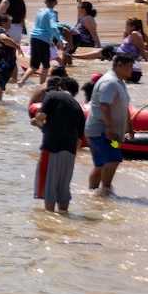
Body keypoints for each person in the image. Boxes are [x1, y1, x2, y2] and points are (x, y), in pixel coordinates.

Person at [30, 76, 85, 212]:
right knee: (63, 188)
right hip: (70, 151)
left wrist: (35, 122)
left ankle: (49, 219)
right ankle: (64, 215)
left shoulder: (52, 95)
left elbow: (41, 117)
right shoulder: (77, 107)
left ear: (60, 87)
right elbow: (79, 140)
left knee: (49, 185)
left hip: (52, 147)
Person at [85, 53, 135, 197]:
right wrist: (110, 127)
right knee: (114, 158)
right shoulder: (109, 82)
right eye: (129, 67)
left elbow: (124, 106)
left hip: (104, 131)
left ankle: (93, 192)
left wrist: (129, 126)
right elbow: (104, 105)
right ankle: (105, 190)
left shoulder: (120, 82)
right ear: (119, 65)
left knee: (100, 163)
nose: (131, 70)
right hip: (102, 131)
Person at [19, 0, 63, 87]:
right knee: (46, 66)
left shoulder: (40, 11)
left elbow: (40, 26)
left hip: (34, 38)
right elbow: (53, 27)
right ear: (56, 3)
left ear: (45, 1)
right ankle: (42, 85)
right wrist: (59, 40)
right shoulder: (52, 13)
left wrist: (50, 41)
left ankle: (21, 81)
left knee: (34, 66)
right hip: (43, 41)